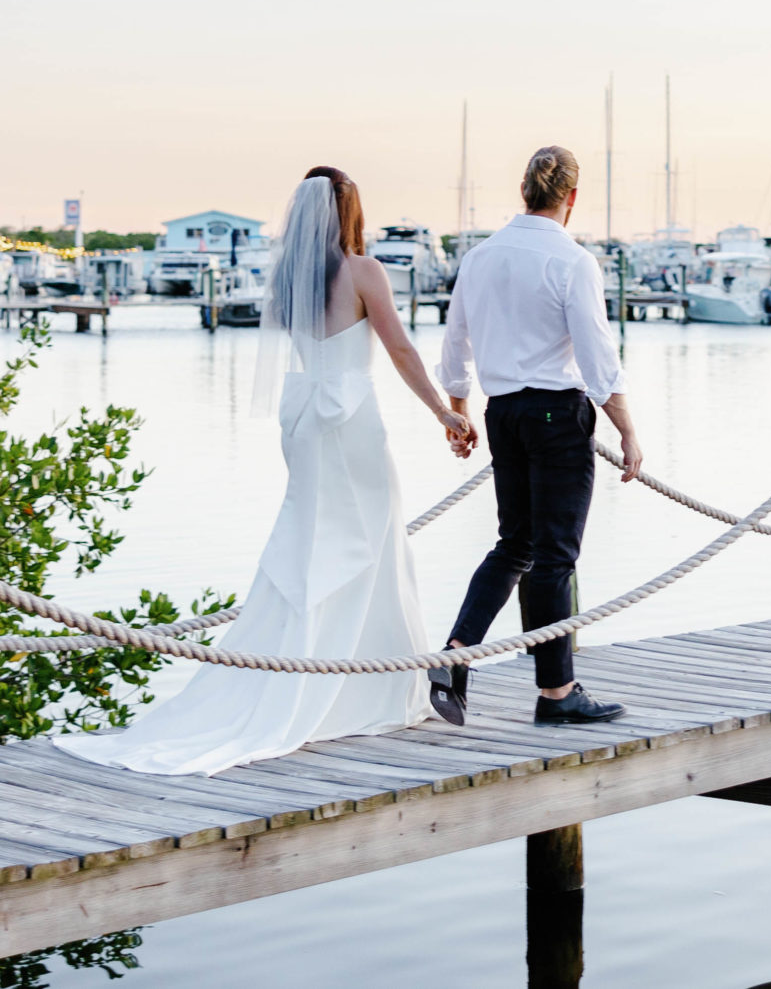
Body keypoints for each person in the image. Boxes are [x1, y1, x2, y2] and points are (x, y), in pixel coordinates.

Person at [57, 166, 477, 775]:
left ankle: (321, 676)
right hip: (352, 417)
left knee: (312, 539)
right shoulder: (364, 271)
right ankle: (367, 686)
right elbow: (401, 349)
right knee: (372, 540)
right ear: (349, 211)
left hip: (304, 417)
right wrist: (444, 410)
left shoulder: (288, 277)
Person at [432, 144, 644, 726]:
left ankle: (456, 654)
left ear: (524, 191)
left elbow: (456, 344)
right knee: (554, 556)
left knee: (515, 544)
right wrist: (627, 431)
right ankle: (557, 694)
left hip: (503, 414)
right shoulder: (572, 260)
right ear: (571, 198)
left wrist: (459, 410)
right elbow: (598, 356)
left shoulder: (480, 257)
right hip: (557, 413)